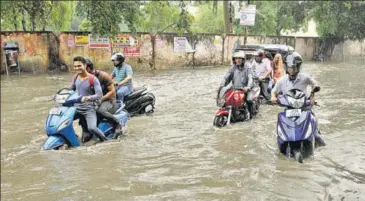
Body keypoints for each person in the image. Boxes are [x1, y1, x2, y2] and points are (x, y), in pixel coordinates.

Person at [271, 52, 325, 146]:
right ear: (286, 67)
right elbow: (273, 90)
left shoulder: (304, 78)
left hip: (305, 109)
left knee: (317, 136)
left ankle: (323, 148)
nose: (292, 70)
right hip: (289, 110)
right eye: (290, 67)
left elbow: (314, 83)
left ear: (298, 67)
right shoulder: (282, 80)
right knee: (281, 133)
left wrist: (314, 91)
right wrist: (273, 97)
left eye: (294, 67)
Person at [70, 56, 107, 142]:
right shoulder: (75, 77)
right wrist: (59, 95)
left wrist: (87, 98)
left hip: (89, 108)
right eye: (75, 66)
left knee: (92, 128)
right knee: (64, 120)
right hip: (77, 107)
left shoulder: (93, 79)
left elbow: (99, 94)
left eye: (79, 66)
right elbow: (70, 90)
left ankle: (105, 140)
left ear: (85, 65)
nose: (77, 68)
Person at [85, 59, 123, 139]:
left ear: (88, 69)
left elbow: (112, 91)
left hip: (108, 100)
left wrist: (101, 99)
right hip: (93, 100)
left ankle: (117, 123)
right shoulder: (83, 78)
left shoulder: (103, 76)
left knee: (99, 110)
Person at [220, 50, 255, 118]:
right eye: (236, 58)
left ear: (243, 59)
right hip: (235, 89)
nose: (237, 60)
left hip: (246, 89)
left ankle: (250, 115)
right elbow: (226, 77)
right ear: (234, 60)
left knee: (249, 100)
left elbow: (250, 77)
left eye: (239, 58)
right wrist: (221, 86)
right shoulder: (233, 68)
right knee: (226, 99)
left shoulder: (248, 67)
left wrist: (248, 87)